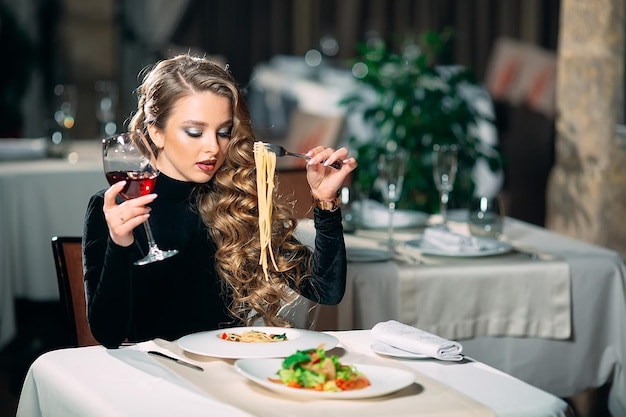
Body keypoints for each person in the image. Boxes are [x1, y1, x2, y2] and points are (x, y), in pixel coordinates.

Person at [83, 54, 357, 348]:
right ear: (156, 132)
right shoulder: (117, 209)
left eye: (223, 132)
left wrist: (325, 201)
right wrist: (119, 243)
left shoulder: (237, 202)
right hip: (158, 379)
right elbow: (108, 334)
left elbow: (326, 290)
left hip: (230, 370)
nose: (213, 147)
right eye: (195, 132)